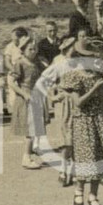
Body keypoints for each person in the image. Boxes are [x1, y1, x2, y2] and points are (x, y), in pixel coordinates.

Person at [60, 36, 103, 205]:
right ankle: (79, 191)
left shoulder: (99, 75)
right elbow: (78, 103)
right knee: (85, 157)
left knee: (99, 157)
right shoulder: (74, 76)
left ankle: (93, 195)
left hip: (100, 119)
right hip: (84, 120)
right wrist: (94, 90)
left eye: (96, 57)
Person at [45, 35, 77, 187]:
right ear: (65, 49)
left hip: (78, 101)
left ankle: (74, 170)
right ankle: (63, 170)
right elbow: (48, 81)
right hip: (64, 103)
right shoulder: (59, 63)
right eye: (71, 47)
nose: (73, 50)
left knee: (77, 136)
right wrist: (53, 97)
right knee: (65, 138)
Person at [10, 39, 45, 170]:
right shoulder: (20, 63)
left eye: (35, 48)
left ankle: (30, 153)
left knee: (35, 129)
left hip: (36, 96)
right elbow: (12, 83)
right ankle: (26, 157)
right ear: (23, 50)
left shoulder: (37, 62)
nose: (33, 51)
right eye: (30, 49)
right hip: (26, 97)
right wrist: (24, 94)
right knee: (30, 130)